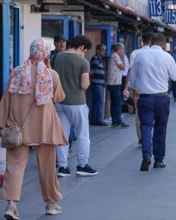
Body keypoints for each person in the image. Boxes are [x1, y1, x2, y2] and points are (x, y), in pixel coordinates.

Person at [0, 38, 67, 219]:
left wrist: (0, 126)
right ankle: (51, 203)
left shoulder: (17, 73)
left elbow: (6, 101)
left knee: (15, 166)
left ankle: (11, 205)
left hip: (18, 127)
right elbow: (59, 97)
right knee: (48, 167)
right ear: (45, 54)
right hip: (44, 128)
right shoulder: (51, 75)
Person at [128, 33, 176, 171]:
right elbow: (175, 77)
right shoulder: (167, 56)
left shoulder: (140, 55)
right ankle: (159, 160)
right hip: (162, 97)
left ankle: (146, 156)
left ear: (151, 42)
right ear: (163, 44)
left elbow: (132, 80)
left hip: (145, 98)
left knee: (145, 126)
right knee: (160, 129)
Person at [54, 35, 98, 177]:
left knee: (63, 136)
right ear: (81, 47)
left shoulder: (56, 58)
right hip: (77, 103)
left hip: (59, 102)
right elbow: (84, 85)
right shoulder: (83, 62)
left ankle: (62, 167)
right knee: (82, 134)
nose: (83, 53)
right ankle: (82, 165)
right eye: (84, 50)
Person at [124, 32, 153, 144]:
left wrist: (127, 87)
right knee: (151, 113)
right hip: (153, 89)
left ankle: (141, 137)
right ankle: (148, 135)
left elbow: (130, 72)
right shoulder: (157, 54)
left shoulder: (135, 53)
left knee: (139, 114)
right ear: (151, 42)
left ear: (141, 41)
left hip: (138, 89)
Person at [106, 43, 128, 128]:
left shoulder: (113, 55)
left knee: (114, 102)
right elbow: (123, 67)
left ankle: (115, 121)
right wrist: (122, 57)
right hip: (115, 83)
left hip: (113, 83)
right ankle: (117, 121)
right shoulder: (116, 56)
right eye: (122, 49)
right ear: (118, 50)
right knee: (117, 102)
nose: (123, 51)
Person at [88, 45, 107, 126]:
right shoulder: (95, 59)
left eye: (104, 50)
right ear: (98, 50)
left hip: (99, 83)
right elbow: (91, 71)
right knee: (99, 101)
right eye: (102, 50)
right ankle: (97, 119)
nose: (104, 52)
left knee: (97, 101)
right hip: (96, 83)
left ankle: (95, 119)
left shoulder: (100, 60)